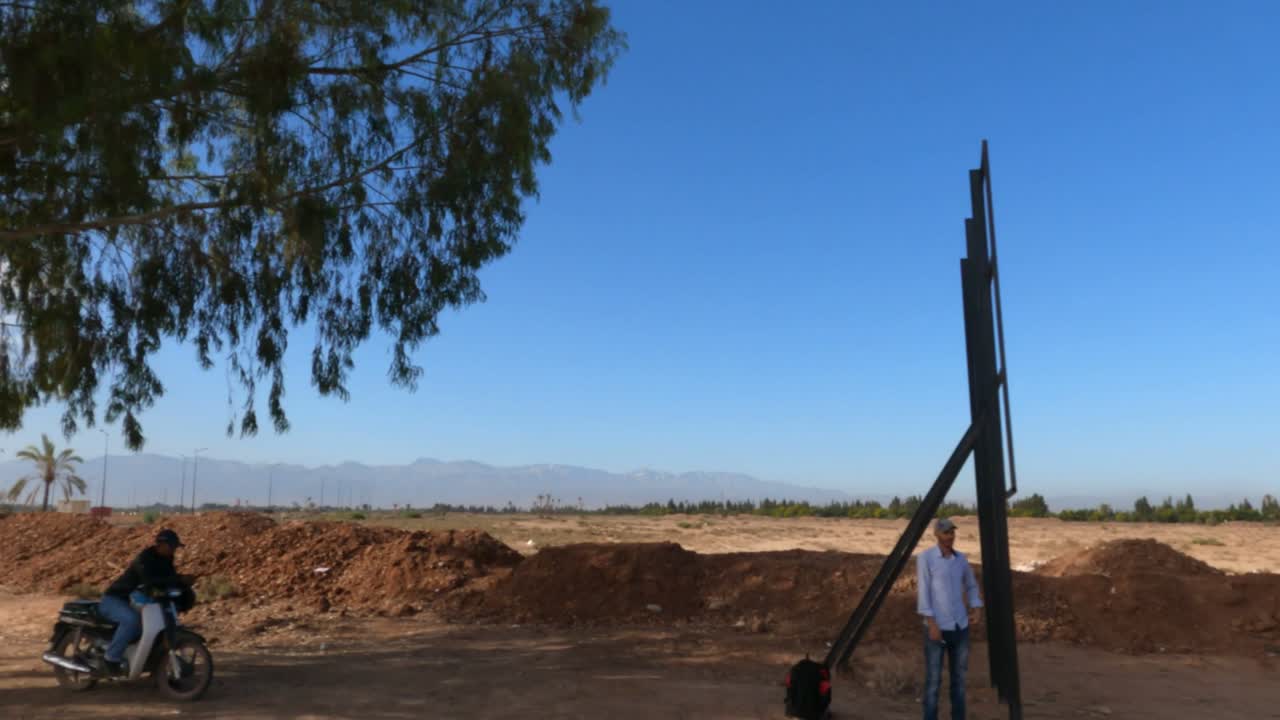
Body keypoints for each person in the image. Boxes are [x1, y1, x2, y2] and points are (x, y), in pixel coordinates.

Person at [916, 517, 982, 720]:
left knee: (959, 682)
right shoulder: (925, 558)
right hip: (937, 629)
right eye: (945, 533)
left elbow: (971, 585)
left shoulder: (961, 559)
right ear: (936, 535)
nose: (949, 537)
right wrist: (932, 624)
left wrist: (976, 607)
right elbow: (924, 593)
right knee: (934, 682)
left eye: (952, 533)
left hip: (960, 628)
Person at [96, 528, 185, 675]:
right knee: (132, 620)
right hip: (115, 599)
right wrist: (175, 580)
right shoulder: (144, 559)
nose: (174, 550)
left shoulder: (167, 559)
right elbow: (149, 581)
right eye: (172, 546)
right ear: (161, 544)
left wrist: (182, 583)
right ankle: (110, 657)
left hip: (133, 602)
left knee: (150, 626)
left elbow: (170, 578)